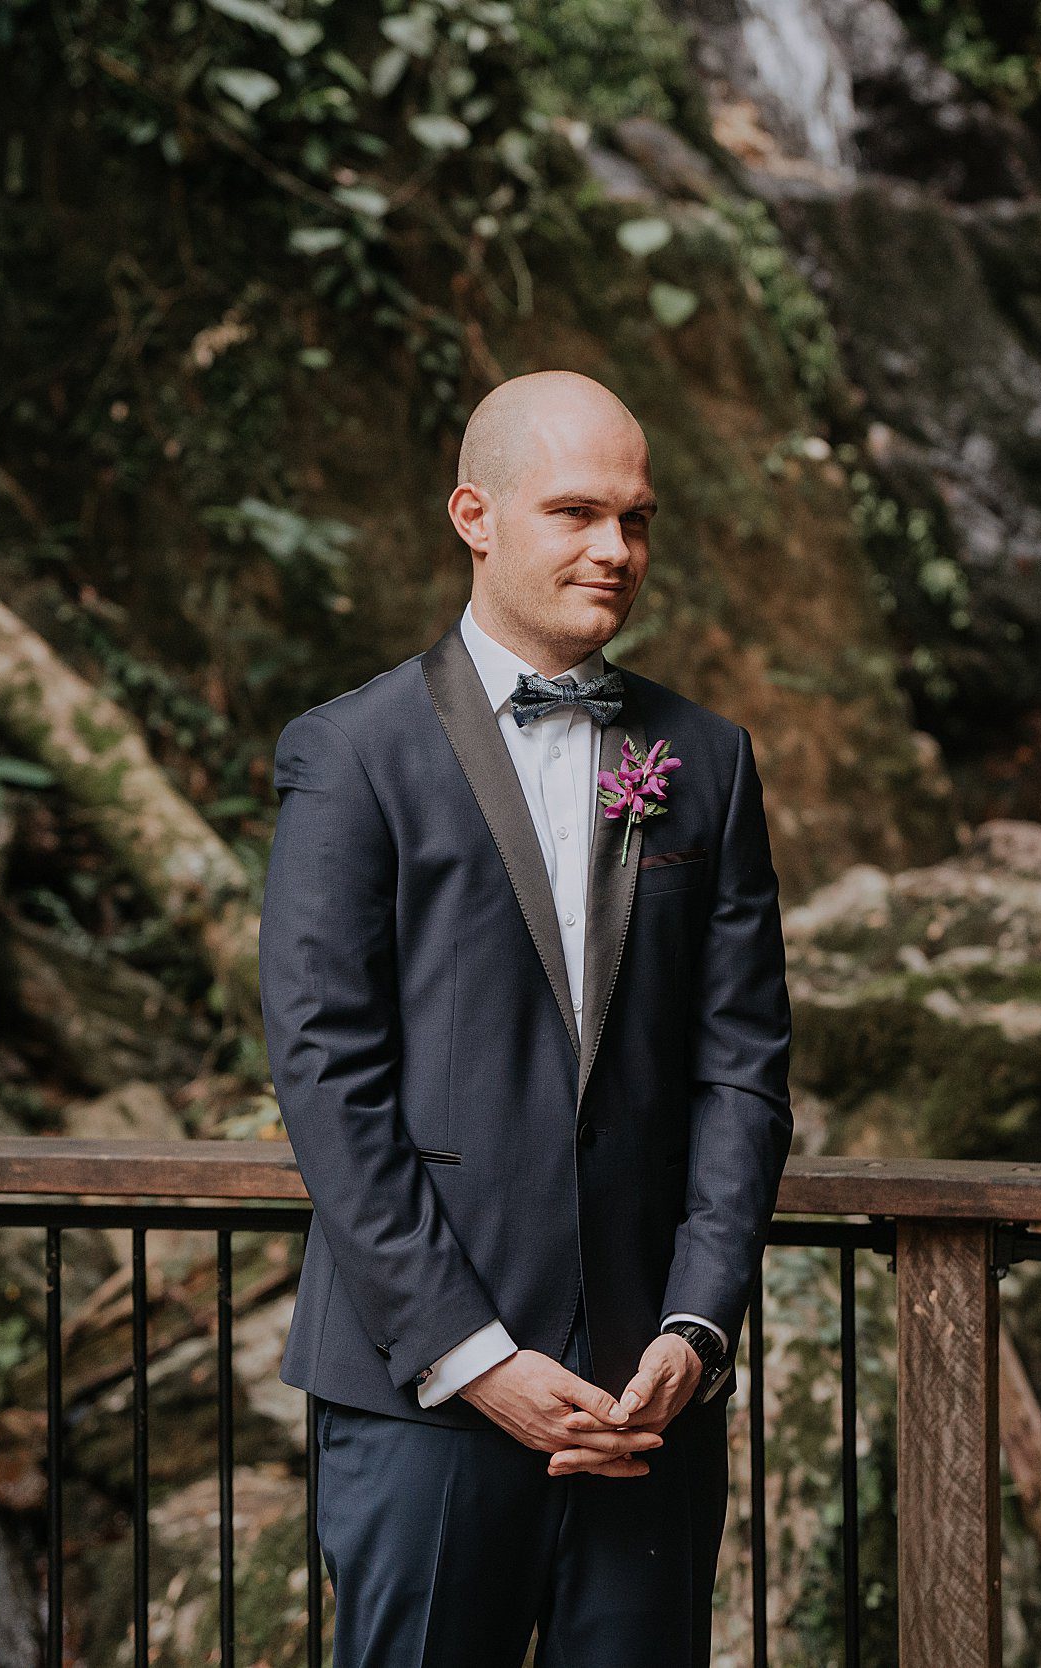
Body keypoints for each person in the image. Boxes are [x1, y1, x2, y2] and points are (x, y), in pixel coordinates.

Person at [259, 368, 796, 1666]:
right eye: (575, 512)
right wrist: (473, 1353)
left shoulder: (704, 759)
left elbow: (746, 1071)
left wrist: (696, 1327)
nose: (616, 549)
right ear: (475, 514)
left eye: (637, 518)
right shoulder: (352, 754)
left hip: (641, 1406)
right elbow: (327, 1072)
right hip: (424, 1399)